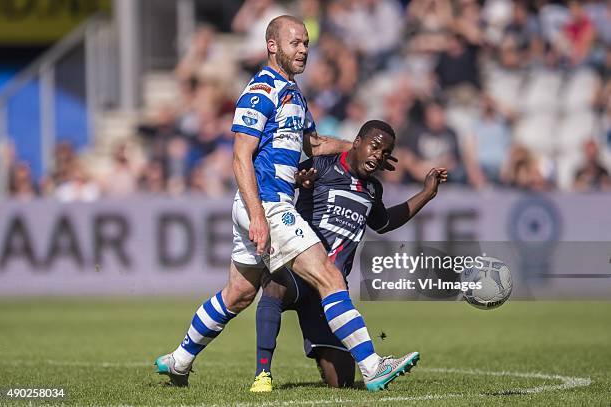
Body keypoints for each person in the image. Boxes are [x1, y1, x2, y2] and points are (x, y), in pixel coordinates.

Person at [154, 15, 418, 392]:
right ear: (272, 45)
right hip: (267, 205)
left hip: (261, 206)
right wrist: (260, 216)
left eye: (307, 43)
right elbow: (240, 157)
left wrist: (356, 147)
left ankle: (179, 361)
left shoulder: (293, 93)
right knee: (329, 277)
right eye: (295, 43)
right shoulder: (261, 90)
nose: (304, 50)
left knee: (239, 294)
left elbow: (314, 145)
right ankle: (374, 366)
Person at [250, 120, 447, 392]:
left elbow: (384, 221)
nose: (378, 155)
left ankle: (323, 351)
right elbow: (280, 184)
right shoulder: (321, 165)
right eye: (375, 146)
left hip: (330, 292)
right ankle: (262, 374)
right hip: (301, 273)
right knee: (273, 286)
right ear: (357, 142)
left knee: (342, 383)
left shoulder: (373, 189)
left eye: (385, 152)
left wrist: (427, 193)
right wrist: (297, 182)